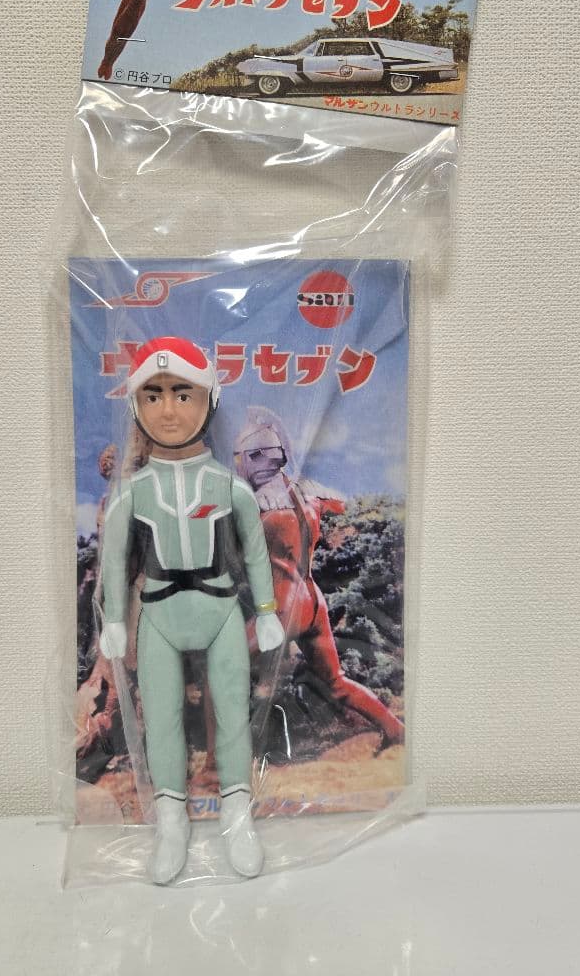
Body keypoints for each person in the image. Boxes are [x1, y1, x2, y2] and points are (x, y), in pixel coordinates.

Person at [99, 338, 284, 884]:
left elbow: (255, 551)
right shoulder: (132, 493)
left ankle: (236, 814)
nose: (169, 410)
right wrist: (114, 620)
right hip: (158, 614)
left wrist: (267, 610)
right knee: (161, 718)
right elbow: (114, 559)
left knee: (232, 711)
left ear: (209, 400)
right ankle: (171, 820)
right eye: (153, 395)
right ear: (136, 405)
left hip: (221, 608)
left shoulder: (228, 486)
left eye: (183, 394)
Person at [234, 406, 405, 748]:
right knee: (336, 681)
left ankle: (220, 759)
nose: (237, 465)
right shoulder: (307, 493)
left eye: (241, 457)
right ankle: (395, 730)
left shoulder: (257, 503)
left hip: (284, 604)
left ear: (255, 457)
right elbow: (351, 507)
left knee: (225, 665)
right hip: (313, 601)